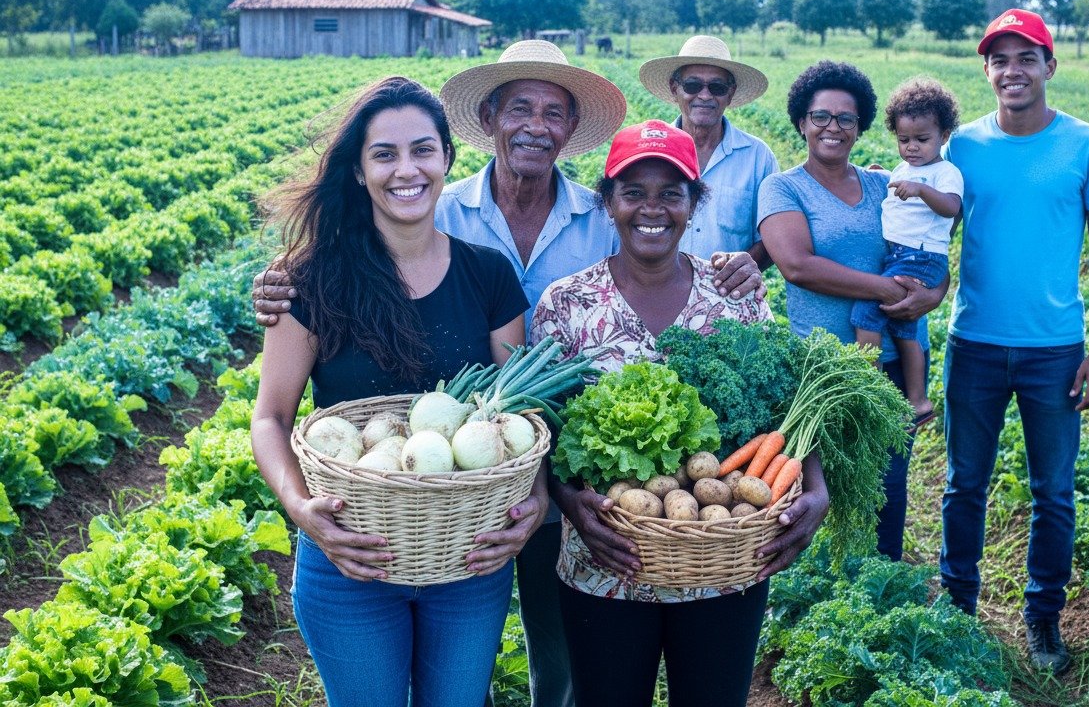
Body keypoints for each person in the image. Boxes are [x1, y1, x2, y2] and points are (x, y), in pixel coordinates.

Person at [252, 40, 764, 707]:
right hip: (380, 526)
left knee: (558, 660)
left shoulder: (598, 218)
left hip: (515, 503)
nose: (536, 125)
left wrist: (739, 267)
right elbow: (272, 412)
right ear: (489, 117)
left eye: (554, 112)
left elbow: (659, 249)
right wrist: (302, 508)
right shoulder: (402, 228)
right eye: (520, 107)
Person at [249, 76, 543, 706]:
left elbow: (518, 416)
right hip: (349, 556)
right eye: (384, 154)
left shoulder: (488, 275)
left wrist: (535, 500)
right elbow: (271, 418)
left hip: (467, 559)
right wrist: (301, 510)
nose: (406, 170)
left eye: (422, 150)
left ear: (447, 159)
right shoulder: (311, 280)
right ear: (359, 172)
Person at [532, 120, 830, 707]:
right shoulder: (566, 303)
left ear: (694, 204)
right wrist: (569, 502)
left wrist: (815, 485)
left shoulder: (734, 295)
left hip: (723, 562)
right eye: (633, 192)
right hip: (605, 563)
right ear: (608, 203)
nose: (653, 208)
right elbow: (541, 430)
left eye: (671, 193)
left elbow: (785, 406)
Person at [940, 10, 1089, 675]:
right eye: (999, 60)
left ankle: (1043, 616)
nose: (1012, 71)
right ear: (986, 70)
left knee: (1053, 491)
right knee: (964, 484)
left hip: (1055, 351)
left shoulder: (1087, 145)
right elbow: (927, 228)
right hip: (974, 344)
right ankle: (957, 608)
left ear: (1050, 66)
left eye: (1026, 58)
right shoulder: (961, 147)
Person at [757, 60, 947, 562]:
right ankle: (817, 587)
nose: (833, 127)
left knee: (885, 485)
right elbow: (797, 266)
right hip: (825, 369)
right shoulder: (783, 188)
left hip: (891, 362)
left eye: (846, 118)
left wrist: (935, 292)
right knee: (817, 489)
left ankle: (880, 579)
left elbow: (927, 246)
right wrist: (886, 289)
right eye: (821, 116)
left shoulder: (885, 185)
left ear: (860, 127)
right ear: (801, 122)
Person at [851, 77, 964, 424]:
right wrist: (883, 174)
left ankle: (869, 390)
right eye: (904, 140)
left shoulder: (946, 172)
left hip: (921, 257)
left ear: (944, 136)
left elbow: (951, 206)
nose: (912, 147)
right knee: (904, 329)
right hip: (902, 255)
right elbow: (902, 183)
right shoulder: (905, 169)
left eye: (922, 139)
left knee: (866, 314)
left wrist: (921, 190)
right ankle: (918, 401)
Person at [638, 35, 779, 266]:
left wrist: (737, 270)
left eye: (717, 87)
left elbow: (772, 238)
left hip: (727, 287)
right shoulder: (649, 152)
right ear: (674, 88)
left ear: (730, 94)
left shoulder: (758, 157)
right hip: (654, 286)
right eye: (692, 86)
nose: (704, 96)